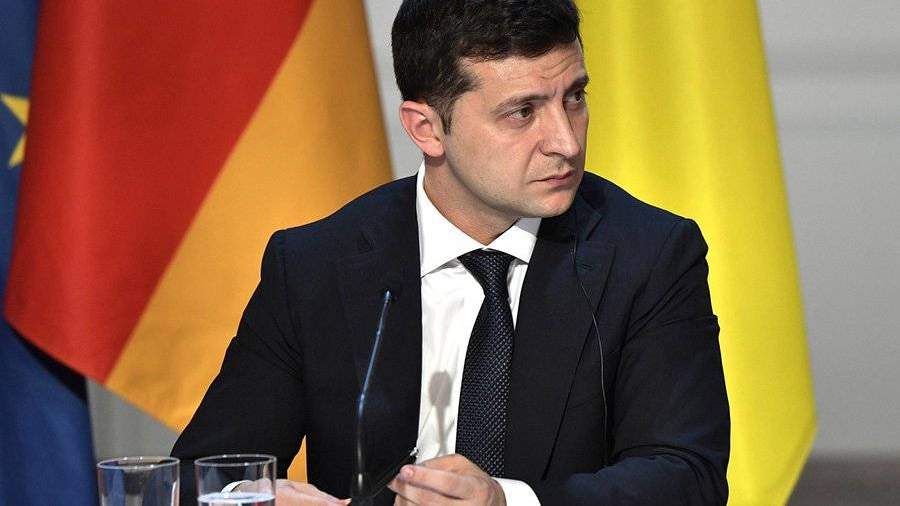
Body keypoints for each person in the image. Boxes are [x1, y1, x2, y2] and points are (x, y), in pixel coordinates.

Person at [172, 1, 730, 504]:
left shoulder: (650, 255)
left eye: (575, 98)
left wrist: (505, 502)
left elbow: (687, 476)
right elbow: (203, 474)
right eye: (522, 112)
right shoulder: (314, 264)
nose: (566, 141)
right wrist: (254, 499)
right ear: (427, 129)